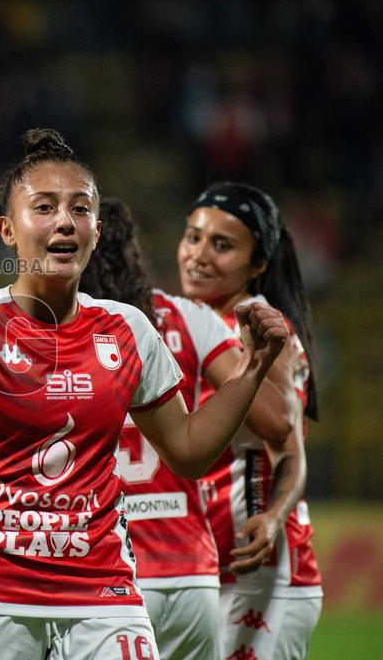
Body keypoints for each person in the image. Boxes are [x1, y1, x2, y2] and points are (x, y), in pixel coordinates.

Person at [0, 128, 290, 660]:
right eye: (44, 207)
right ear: (8, 230)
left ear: (96, 230)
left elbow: (190, 451)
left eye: (79, 209)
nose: (65, 220)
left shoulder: (127, 329)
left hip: (100, 590)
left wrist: (254, 366)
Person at [80, 198, 290, 660]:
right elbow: (276, 419)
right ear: (135, 252)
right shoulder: (187, 316)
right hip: (192, 574)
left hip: (107, 571)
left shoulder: (63, 328)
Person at [178, 182, 322, 660]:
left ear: (258, 264)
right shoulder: (192, 327)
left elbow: (290, 448)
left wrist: (274, 516)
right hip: (211, 569)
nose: (198, 255)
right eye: (193, 236)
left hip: (263, 571)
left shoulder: (260, 330)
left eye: (222, 245)